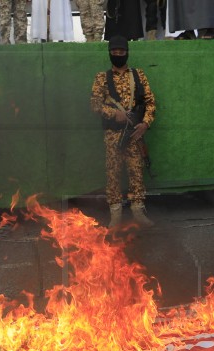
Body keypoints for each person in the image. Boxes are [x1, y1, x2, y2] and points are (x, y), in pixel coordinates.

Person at [90, 36, 156, 229]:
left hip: (135, 134)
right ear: (110, 53)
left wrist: (145, 123)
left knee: (136, 172)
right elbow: (94, 104)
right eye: (114, 52)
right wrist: (113, 113)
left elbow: (150, 102)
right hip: (113, 135)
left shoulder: (138, 75)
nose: (118, 55)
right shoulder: (102, 78)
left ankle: (138, 211)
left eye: (121, 52)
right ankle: (116, 215)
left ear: (127, 52)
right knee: (113, 173)